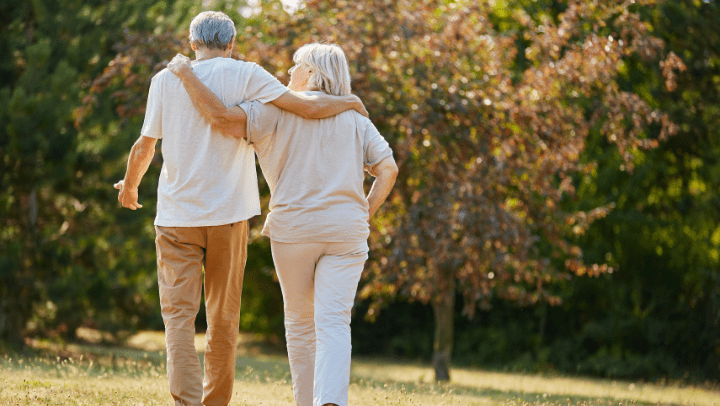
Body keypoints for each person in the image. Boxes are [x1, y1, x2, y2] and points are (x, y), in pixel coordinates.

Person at [114, 11, 368, 406]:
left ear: (191, 41)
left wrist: (130, 187)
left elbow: (145, 145)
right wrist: (349, 101)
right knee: (223, 318)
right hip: (229, 217)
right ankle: (214, 402)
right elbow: (307, 108)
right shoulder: (248, 74)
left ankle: (185, 402)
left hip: (176, 219)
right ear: (231, 43)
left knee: (178, 318)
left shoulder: (164, 80)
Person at [165, 43, 398, 406]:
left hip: (295, 231)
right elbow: (388, 169)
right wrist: (363, 213)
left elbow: (224, 119)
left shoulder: (273, 112)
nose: (288, 73)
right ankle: (331, 400)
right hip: (346, 232)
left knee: (301, 324)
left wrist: (186, 75)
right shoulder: (356, 117)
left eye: (295, 67)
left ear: (312, 72)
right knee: (335, 320)